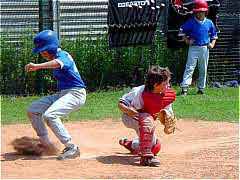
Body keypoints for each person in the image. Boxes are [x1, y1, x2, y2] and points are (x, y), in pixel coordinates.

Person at [25, 30, 86, 160]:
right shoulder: (55, 57)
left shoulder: (63, 55)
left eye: (43, 50)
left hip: (76, 93)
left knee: (50, 115)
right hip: (63, 94)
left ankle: (72, 147)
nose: (42, 53)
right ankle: (46, 144)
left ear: (51, 47)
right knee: (32, 110)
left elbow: (58, 63)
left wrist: (37, 66)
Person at [118, 65, 176, 167]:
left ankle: (131, 144)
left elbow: (168, 112)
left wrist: (168, 119)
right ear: (155, 84)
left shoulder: (166, 95)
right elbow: (121, 103)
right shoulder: (139, 91)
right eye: (165, 83)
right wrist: (128, 110)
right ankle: (146, 157)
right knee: (146, 118)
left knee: (155, 147)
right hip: (130, 117)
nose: (168, 85)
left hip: (146, 121)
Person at [179, 0, 218, 95]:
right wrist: (187, 40)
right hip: (194, 48)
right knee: (190, 67)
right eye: (198, 12)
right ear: (195, 12)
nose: (200, 14)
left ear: (206, 12)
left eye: (202, 12)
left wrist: (212, 44)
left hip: (205, 48)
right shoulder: (191, 22)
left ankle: (201, 88)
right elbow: (181, 30)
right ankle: (185, 88)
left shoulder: (209, 23)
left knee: (203, 68)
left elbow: (214, 35)